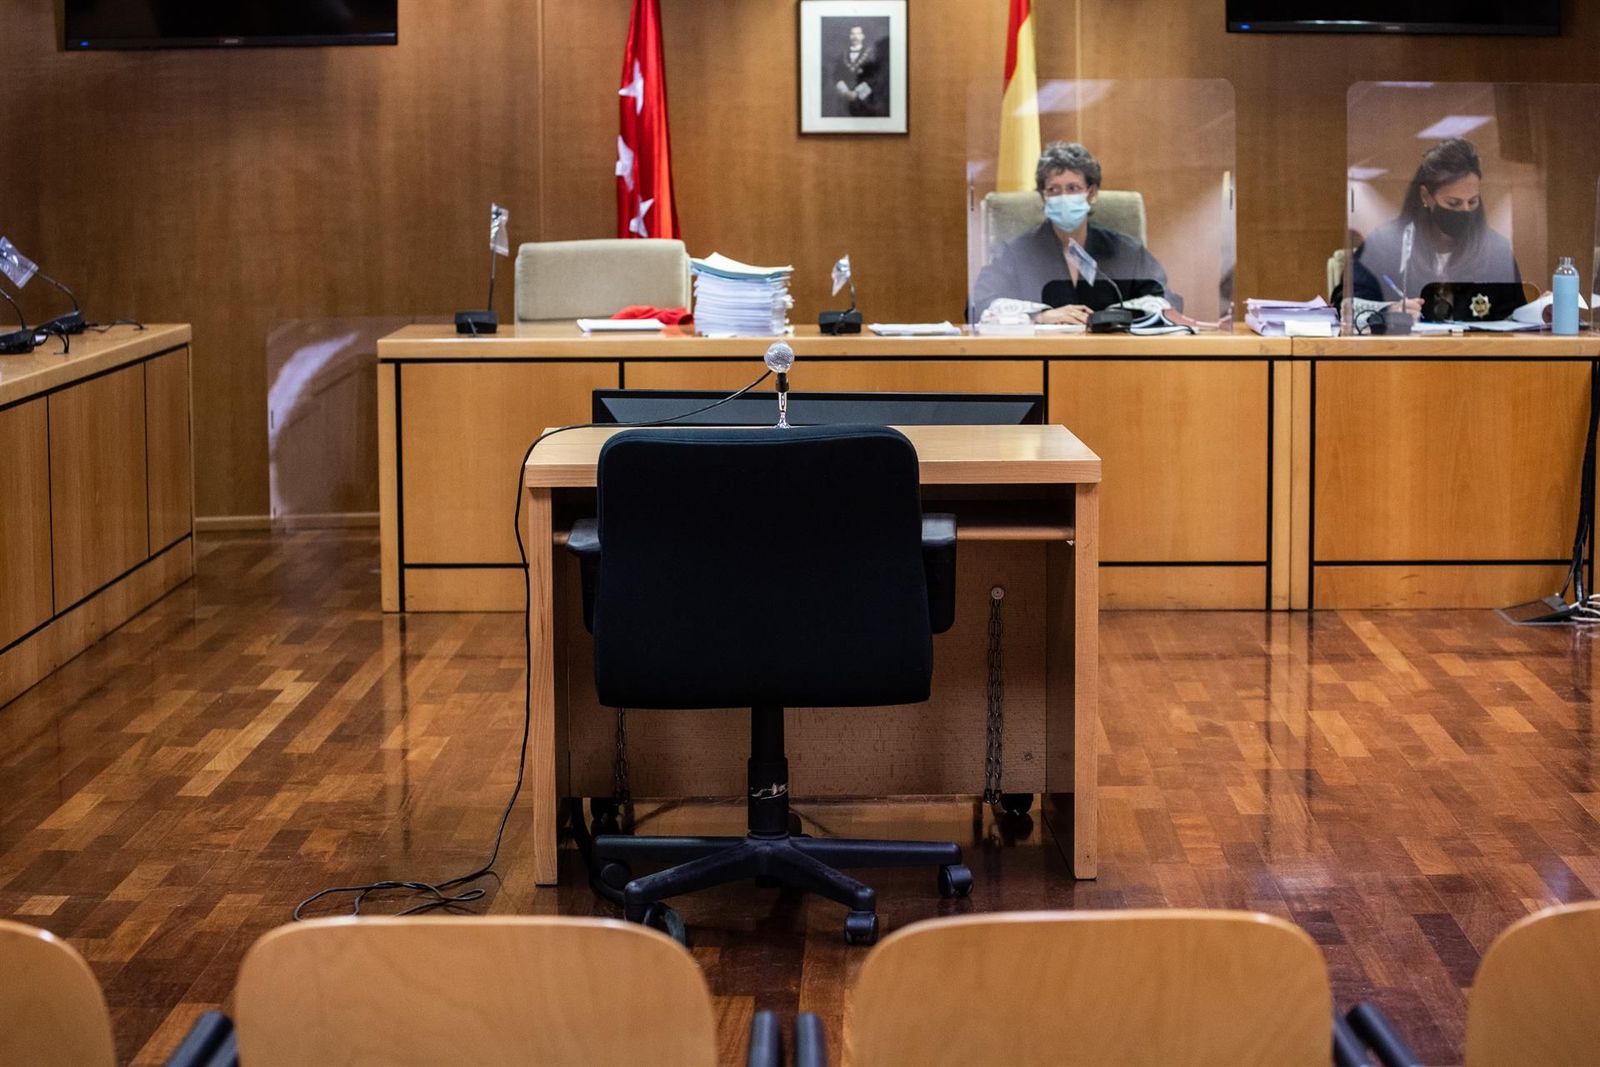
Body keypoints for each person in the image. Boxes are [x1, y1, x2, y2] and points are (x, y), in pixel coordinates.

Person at [972, 141, 1177, 324]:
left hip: (1112, 358)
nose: (1063, 197)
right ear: (1043, 197)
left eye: (1073, 188)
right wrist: (1039, 316)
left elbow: (1165, 301)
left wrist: (1115, 316)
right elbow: (980, 305)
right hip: (1041, 359)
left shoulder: (1126, 251)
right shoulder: (1016, 253)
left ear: (1092, 193)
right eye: (1053, 190)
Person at [1341, 137, 1521, 316]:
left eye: (1472, 202)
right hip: (1404, 344)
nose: (1465, 211)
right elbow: (1346, 303)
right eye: (1453, 203)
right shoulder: (1385, 245)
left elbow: (1516, 313)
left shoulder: (1496, 250)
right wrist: (1388, 311)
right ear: (1426, 196)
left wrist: (1541, 310)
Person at [827, 25, 887, 118]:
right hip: (845, 99)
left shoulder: (871, 55)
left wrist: (857, 93)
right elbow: (836, 75)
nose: (855, 36)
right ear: (849, 36)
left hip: (866, 100)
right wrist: (845, 92)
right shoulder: (843, 55)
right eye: (852, 34)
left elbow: (875, 77)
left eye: (858, 34)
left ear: (863, 36)